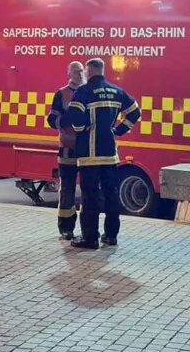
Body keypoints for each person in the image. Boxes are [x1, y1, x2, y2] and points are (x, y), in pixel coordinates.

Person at [66, 59, 141, 249]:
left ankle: (89, 238)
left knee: (90, 197)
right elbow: (135, 112)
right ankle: (111, 235)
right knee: (111, 195)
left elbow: (75, 115)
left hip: (89, 155)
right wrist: (119, 130)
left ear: (89, 71)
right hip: (110, 154)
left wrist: (81, 127)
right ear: (102, 70)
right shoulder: (116, 91)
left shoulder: (83, 92)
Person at [47, 61, 85, 241]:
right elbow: (52, 120)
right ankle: (66, 228)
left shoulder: (89, 92)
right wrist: (69, 117)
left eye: (81, 71)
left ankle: (88, 229)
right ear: (69, 74)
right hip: (68, 151)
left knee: (89, 191)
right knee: (67, 191)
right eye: (76, 71)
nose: (80, 73)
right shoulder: (61, 94)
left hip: (87, 151)